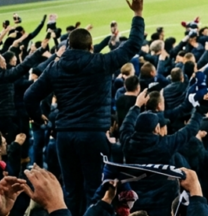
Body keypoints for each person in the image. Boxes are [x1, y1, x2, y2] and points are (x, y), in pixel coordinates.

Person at [22, 0, 145, 214]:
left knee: (71, 190)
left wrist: (39, 118)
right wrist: (138, 13)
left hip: (65, 136)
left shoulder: (55, 68)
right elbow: (133, 44)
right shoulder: (101, 62)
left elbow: (29, 96)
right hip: (93, 135)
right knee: (94, 189)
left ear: (68, 46)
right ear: (91, 47)